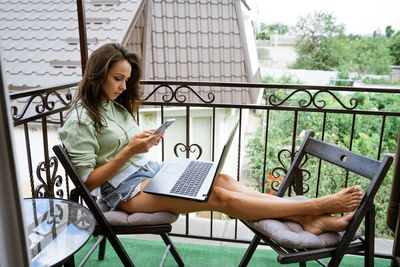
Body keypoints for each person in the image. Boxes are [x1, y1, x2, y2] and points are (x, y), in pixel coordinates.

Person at [59, 43, 363, 235]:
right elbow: (87, 183)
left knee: (224, 179)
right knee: (216, 197)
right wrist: (128, 152)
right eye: (118, 78)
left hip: (149, 173)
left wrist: (142, 143)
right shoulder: (80, 121)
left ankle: (308, 219)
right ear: (97, 74)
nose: (124, 86)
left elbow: (122, 147)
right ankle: (313, 209)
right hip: (124, 194)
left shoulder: (112, 106)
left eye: (127, 79)